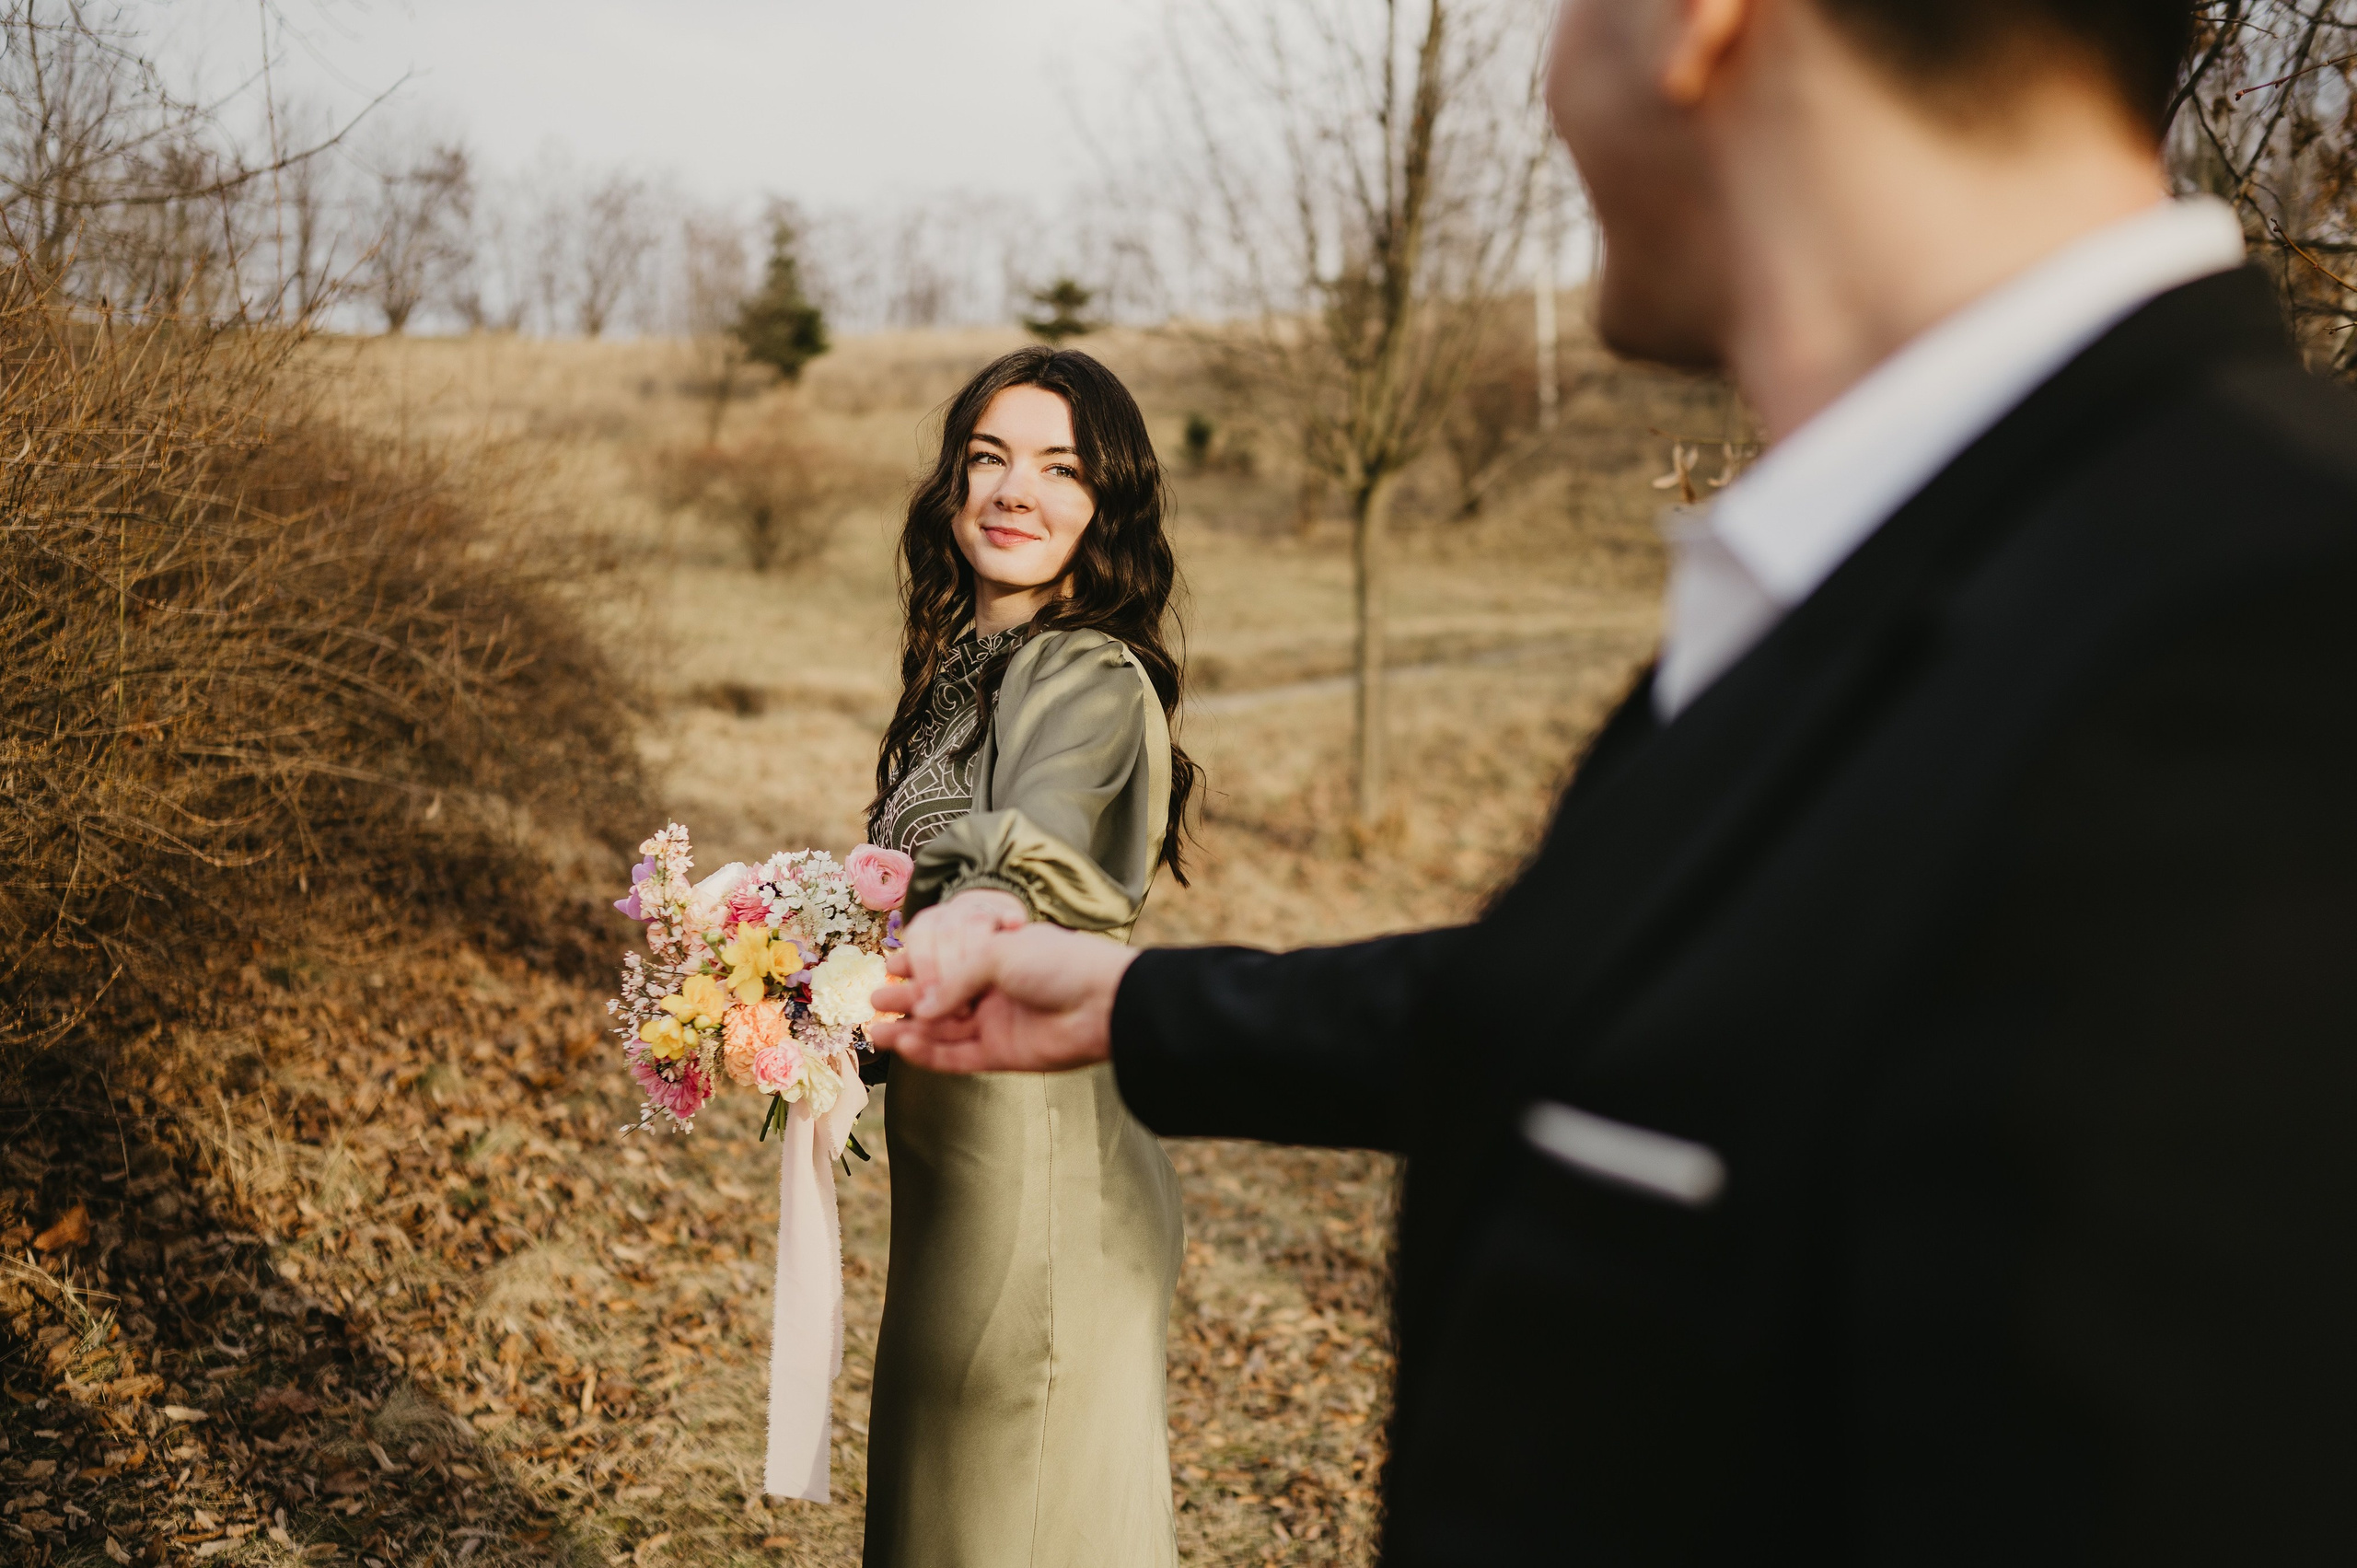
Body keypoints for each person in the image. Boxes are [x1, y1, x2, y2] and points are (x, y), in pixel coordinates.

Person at [872, 0, 2357, 1562]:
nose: (1550, 71)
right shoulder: (1945, 552)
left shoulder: (2271, 635)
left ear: (1700, 25)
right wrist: (1136, 1005)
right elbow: (1679, 1013)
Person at [855, 346, 1199, 1568]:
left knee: (1020, 1530)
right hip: (953, 1178)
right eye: (989, 458)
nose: (1015, 491)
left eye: (1059, 468)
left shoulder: (1089, 675)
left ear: (1106, 504)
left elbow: (1032, 851)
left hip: (1039, 1178)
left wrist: (973, 910)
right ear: (951, 485)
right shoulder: (961, 674)